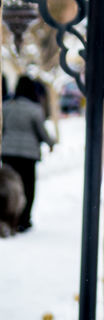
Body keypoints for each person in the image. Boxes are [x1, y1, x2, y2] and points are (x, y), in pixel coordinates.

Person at [1, 75, 54, 232]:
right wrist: (51, 143)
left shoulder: (6, 106)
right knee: (28, 187)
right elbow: (42, 132)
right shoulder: (35, 109)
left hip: (8, 153)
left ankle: (9, 216)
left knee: (8, 186)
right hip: (28, 156)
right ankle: (24, 220)